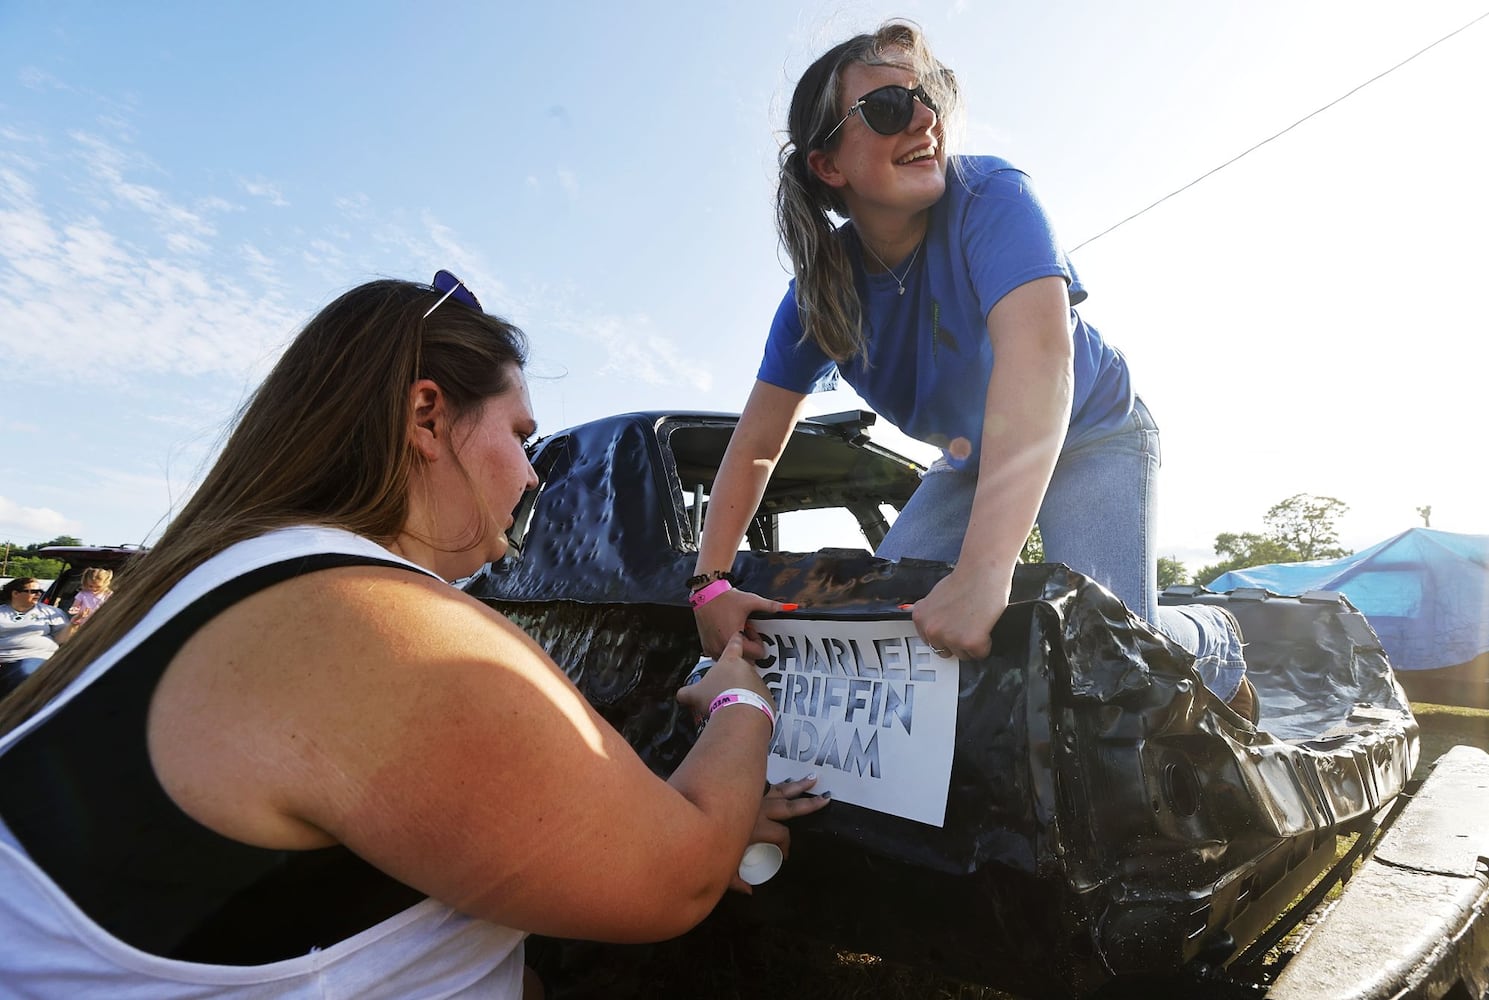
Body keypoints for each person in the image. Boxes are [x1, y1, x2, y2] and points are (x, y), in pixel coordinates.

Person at [0, 272, 826, 998]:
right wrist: (734, 703)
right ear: (427, 417)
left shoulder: (220, 581)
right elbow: (674, 883)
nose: (533, 473)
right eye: (520, 436)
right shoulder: (370, 619)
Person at [691, 20, 1255, 721]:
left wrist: (984, 572)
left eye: (927, 96)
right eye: (889, 108)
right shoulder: (818, 294)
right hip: (972, 458)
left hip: (1091, 430)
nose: (925, 118)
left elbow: (1040, 362)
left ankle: (1214, 638)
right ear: (828, 165)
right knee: (885, 618)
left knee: (1114, 651)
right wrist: (710, 587)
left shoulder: (988, 193)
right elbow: (755, 447)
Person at [1, 577, 76, 696]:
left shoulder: (51, 612)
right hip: (4, 658)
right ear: (15, 593)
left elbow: (61, 640)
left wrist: (73, 625)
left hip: (35, 657)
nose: (39, 594)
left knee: (26, 673)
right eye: (33, 591)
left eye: (40, 591)